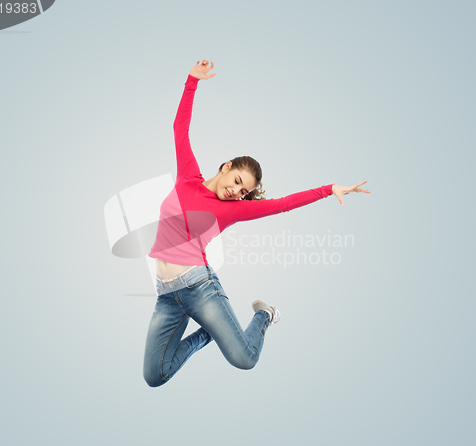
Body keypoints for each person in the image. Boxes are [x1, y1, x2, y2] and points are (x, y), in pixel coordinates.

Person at [143, 59, 370, 387]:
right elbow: (180, 128)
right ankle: (209, 333)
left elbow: (282, 205)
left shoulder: (233, 210)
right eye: (236, 180)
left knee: (245, 358)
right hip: (166, 294)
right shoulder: (187, 177)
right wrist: (192, 80)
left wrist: (329, 189)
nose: (235, 191)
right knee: (155, 375)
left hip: (198, 288)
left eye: (243, 190)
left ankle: (265, 315)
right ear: (226, 166)